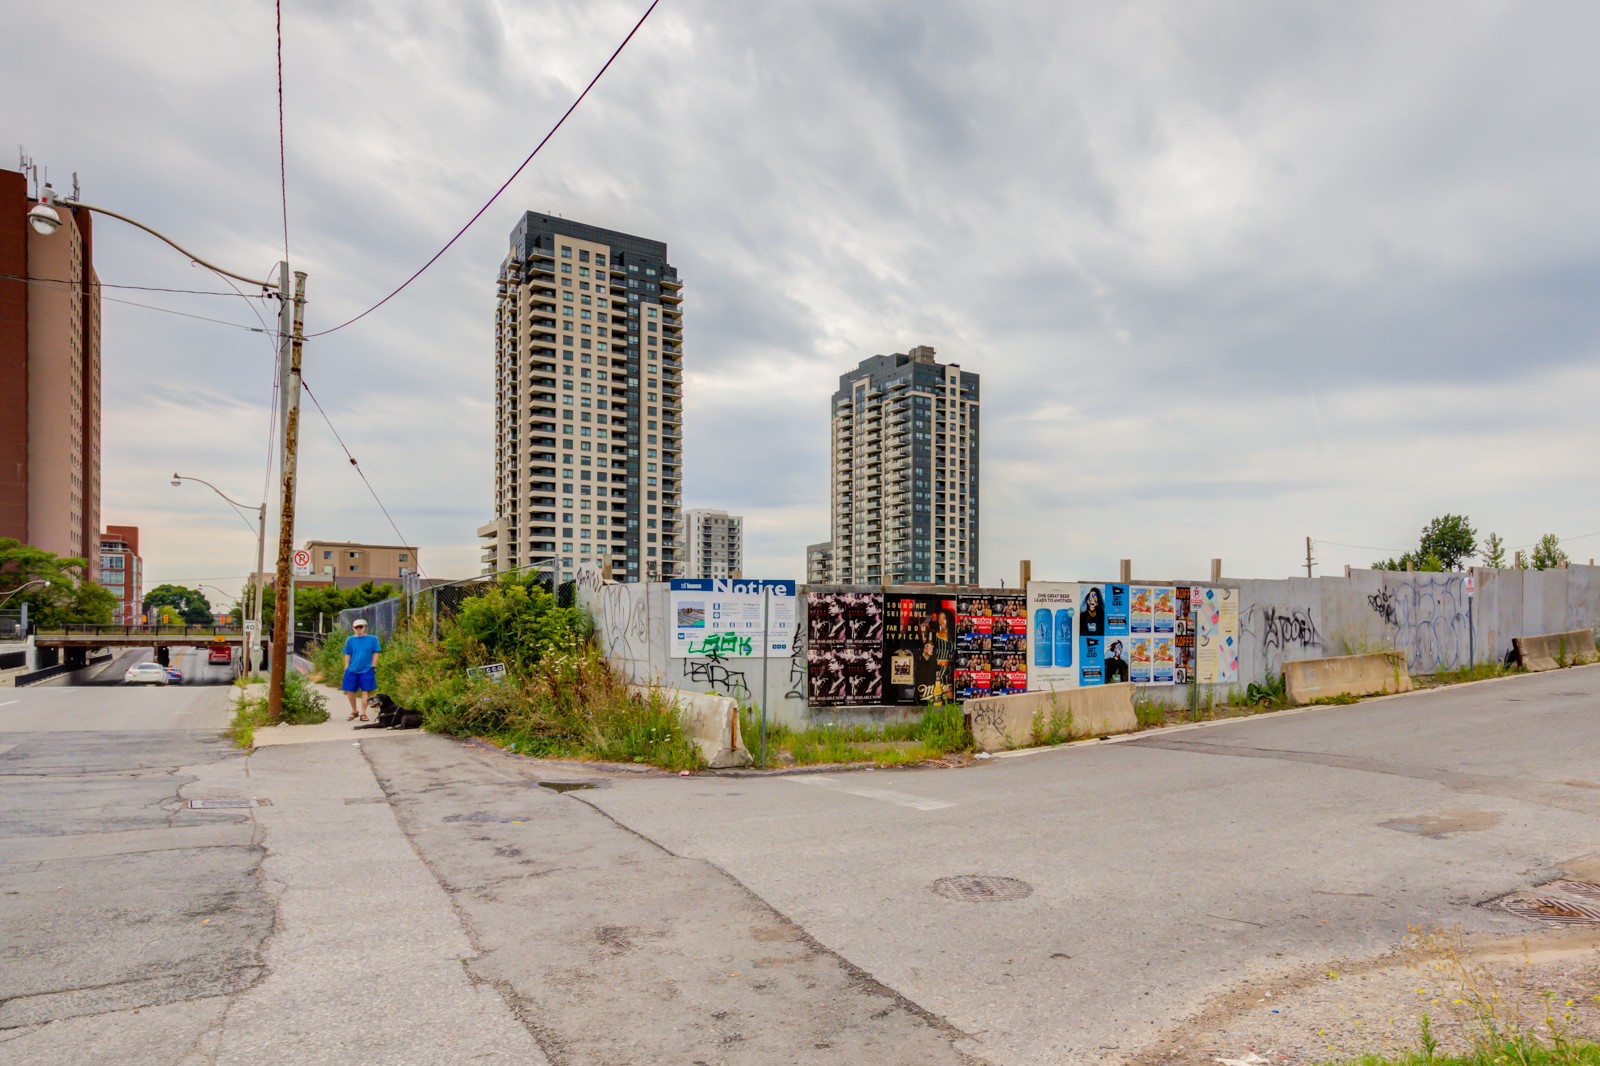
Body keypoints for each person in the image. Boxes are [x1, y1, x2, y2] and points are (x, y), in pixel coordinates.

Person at [342, 619, 383, 722]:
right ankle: (354, 711)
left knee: (365, 691)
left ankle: (363, 713)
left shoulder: (372, 639)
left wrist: (373, 665)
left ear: (364, 627)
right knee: (350, 690)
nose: (359, 629)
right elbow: (348, 653)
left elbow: (376, 652)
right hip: (352, 668)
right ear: (353, 628)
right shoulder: (350, 640)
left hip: (366, 669)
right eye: (357, 627)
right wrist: (346, 667)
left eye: (361, 627)